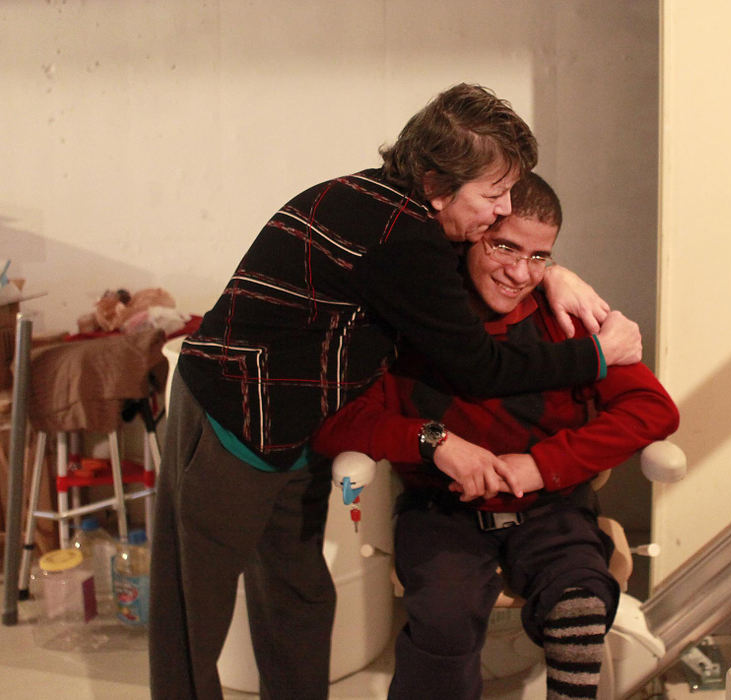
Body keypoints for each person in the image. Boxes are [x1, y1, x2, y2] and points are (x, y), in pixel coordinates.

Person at [149, 84, 643, 700]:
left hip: (299, 426)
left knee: (298, 594)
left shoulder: (396, 202)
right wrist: (596, 354)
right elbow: (479, 367)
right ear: (438, 183)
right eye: (493, 195)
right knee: (192, 612)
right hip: (230, 416)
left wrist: (559, 273)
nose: (501, 209)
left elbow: (510, 255)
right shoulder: (402, 238)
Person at [314, 172, 679, 700]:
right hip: (441, 511)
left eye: (539, 257)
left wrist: (544, 464)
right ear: (470, 237)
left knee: (578, 600)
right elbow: (341, 422)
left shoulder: (565, 319)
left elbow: (652, 408)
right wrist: (431, 441)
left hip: (552, 506)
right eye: (504, 246)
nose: (519, 272)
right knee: (443, 615)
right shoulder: (412, 323)